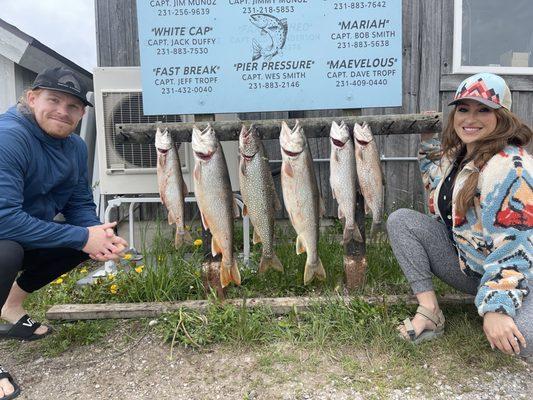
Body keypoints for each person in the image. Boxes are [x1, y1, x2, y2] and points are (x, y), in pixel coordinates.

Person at [0, 67, 128, 399]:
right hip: (4, 232)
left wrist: (98, 235)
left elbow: (79, 203)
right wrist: (83, 236)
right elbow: (4, 220)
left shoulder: (74, 147)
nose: (62, 111)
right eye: (53, 100)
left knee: (81, 241)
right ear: (32, 98)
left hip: (19, 231)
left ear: (82, 113)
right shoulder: (9, 137)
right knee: (6, 252)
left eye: (72, 106)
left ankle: (11, 308)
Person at [387, 72, 532, 359]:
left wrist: (497, 308)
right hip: (472, 266)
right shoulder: (459, 155)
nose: (470, 118)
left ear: (503, 116)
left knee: (523, 340)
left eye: (483, 110)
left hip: (521, 272)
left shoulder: (511, 168)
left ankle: (503, 301)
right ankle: (429, 312)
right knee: (401, 221)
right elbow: (437, 188)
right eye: (463, 109)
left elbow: (515, 248)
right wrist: (428, 142)